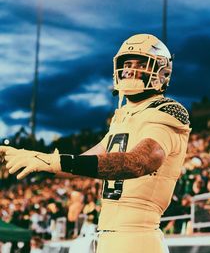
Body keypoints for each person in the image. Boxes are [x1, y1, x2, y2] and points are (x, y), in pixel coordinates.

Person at [0, 34, 191, 253]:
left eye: (140, 63)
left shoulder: (167, 110)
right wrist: (38, 159)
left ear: (161, 71)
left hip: (139, 237)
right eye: (126, 64)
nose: (130, 70)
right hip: (109, 237)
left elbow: (141, 161)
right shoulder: (123, 116)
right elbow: (80, 164)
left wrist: (58, 162)